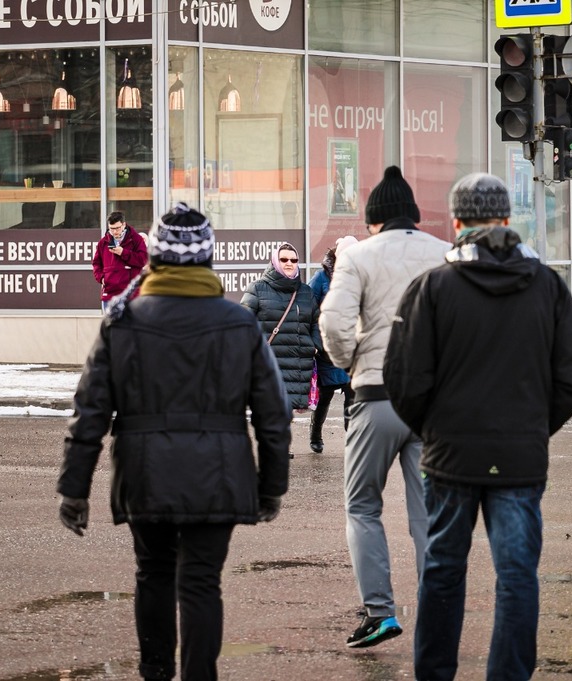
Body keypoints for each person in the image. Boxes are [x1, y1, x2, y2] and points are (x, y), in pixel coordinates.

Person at [58, 203, 291, 681]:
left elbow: (90, 413)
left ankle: (156, 672)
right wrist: (271, 487)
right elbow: (274, 413)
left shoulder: (124, 320)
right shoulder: (239, 323)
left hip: (146, 474)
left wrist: (74, 489)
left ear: (155, 259)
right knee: (203, 584)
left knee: (154, 574)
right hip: (220, 475)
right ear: (207, 259)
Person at [383, 173, 572, 681]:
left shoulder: (431, 288)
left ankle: (434, 673)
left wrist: (433, 428)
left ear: (457, 222)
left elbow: (403, 378)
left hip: (450, 456)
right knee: (516, 575)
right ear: (505, 221)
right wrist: (533, 428)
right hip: (519, 459)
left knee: (442, 572)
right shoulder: (546, 286)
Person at [319, 165, 451, 648]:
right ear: (413, 217)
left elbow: (333, 322)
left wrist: (352, 364)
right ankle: (437, 610)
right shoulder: (445, 256)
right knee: (429, 514)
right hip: (430, 406)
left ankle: (380, 613)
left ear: (373, 220)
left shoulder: (358, 256)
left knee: (362, 506)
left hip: (375, 398)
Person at [240, 242, 323, 416]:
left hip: (298, 364)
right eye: (283, 259)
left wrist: (315, 345)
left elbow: (317, 322)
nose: (289, 263)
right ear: (274, 262)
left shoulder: (306, 292)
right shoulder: (257, 288)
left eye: (293, 260)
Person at [307, 235, 358, 453]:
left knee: (352, 397)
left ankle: (353, 439)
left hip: (352, 347)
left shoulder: (359, 275)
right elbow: (309, 306)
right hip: (327, 348)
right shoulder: (321, 278)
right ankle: (315, 434)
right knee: (325, 397)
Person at [92, 211, 149, 312]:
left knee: (132, 326)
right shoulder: (103, 242)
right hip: (110, 293)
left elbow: (143, 260)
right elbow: (96, 263)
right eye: (111, 228)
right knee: (111, 326)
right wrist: (102, 278)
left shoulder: (136, 240)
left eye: (117, 228)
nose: (114, 232)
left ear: (124, 224)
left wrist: (123, 252)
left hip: (130, 294)